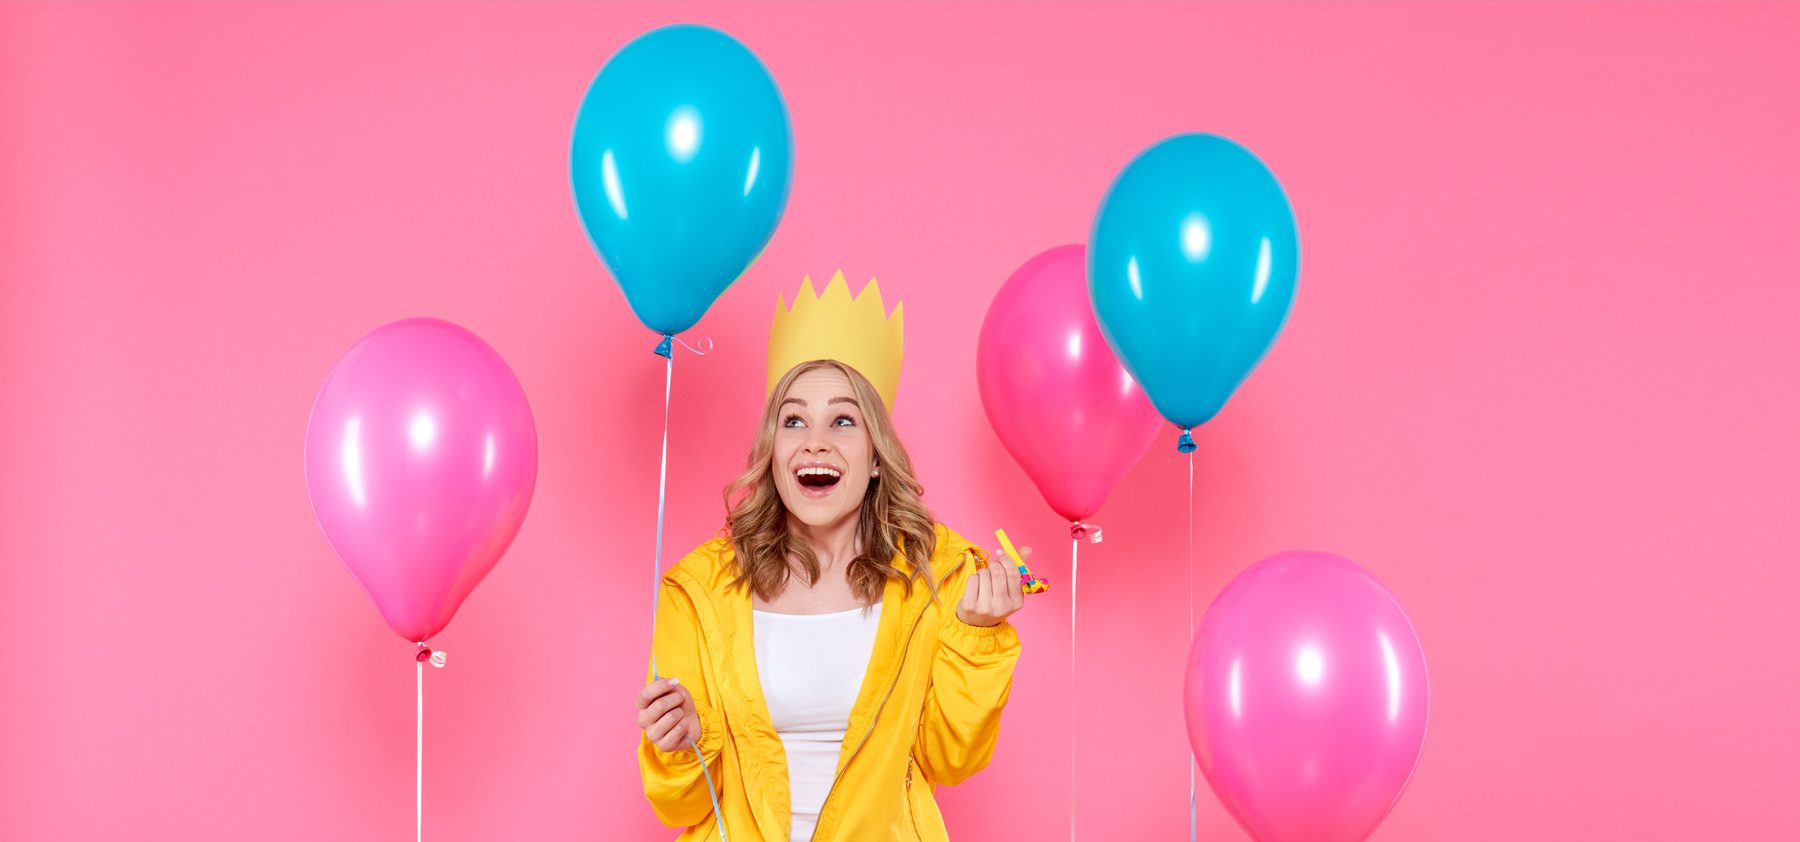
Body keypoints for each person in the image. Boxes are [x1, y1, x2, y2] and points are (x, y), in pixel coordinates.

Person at [635, 274, 1026, 841]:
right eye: (793, 420)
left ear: (874, 458)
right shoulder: (698, 591)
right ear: (774, 452)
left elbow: (951, 760)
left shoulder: (935, 579)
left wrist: (977, 637)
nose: (814, 440)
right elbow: (680, 807)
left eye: (843, 420)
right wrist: (683, 742)